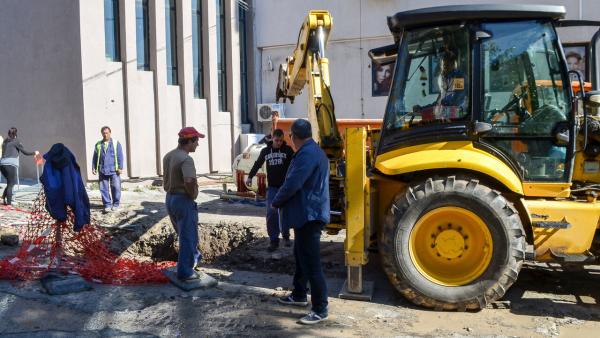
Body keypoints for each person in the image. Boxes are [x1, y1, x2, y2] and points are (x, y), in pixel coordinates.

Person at [273, 119, 330, 325]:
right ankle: (299, 295)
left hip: (309, 215)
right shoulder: (313, 151)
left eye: (290, 137)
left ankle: (320, 308)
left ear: (294, 137)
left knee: (311, 263)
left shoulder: (307, 153)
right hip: (306, 214)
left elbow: (293, 183)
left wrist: (276, 201)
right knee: (301, 256)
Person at [163, 127, 204, 281]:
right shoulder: (186, 159)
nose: (197, 145)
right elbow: (189, 180)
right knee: (188, 237)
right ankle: (186, 272)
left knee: (184, 234)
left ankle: (193, 258)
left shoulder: (169, 155)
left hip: (170, 199)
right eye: (196, 141)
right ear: (190, 141)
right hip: (183, 199)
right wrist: (193, 194)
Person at [246, 128, 295, 252]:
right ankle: (274, 240)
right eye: (276, 140)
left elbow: (295, 165)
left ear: (283, 139)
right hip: (272, 187)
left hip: (285, 187)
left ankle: (286, 236)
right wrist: (250, 176)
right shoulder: (266, 151)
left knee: (285, 212)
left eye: (281, 140)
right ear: (272, 138)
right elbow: (257, 164)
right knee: (271, 213)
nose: (278, 143)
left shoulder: (288, 150)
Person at [414, 49, 467, 121]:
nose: (443, 69)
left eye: (446, 65)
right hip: (446, 116)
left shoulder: (459, 77)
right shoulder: (443, 79)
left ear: (453, 64)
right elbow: (438, 103)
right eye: (442, 66)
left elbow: (456, 100)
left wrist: (441, 105)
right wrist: (422, 109)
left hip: (458, 116)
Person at [0, 127, 39, 205]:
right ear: (15, 134)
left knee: (10, 182)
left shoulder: (5, 141)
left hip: (2, 165)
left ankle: (3, 198)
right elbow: (25, 152)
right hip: (10, 164)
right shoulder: (16, 141)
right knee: (11, 184)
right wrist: (35, 152)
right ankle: (9, 204)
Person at [91, 126, 124, 213]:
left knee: (116, 187)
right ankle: (107, 205)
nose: (105, 135)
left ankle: (116, 204)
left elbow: (120, 156)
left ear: (110, 133)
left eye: (107, 133)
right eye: (104, 133)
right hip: (102, 170)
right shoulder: (98, 144)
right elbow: (95, 157)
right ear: (102, 134)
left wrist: (120, 167)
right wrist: (94, 167)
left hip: (114, 170)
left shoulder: (116, 143)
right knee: (103, 189)